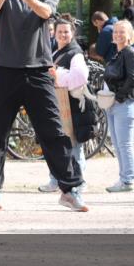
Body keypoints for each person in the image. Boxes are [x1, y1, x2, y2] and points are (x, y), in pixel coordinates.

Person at [0, 0, 87, 211]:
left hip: (38, 71)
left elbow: (44, 13)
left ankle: (69, 189)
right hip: (5, 70)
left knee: (53, 131)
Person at [38, 19, 95, 192]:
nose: (63, 35)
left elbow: (80, 77)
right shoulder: (57, 52)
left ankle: (80, 181)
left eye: (66, 32)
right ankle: (55, 179)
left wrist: (57, 76)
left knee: (74, 146)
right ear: (54, 33)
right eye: (60, 31)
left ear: (73, 33)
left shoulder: (75, 53)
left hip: (74, 108)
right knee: (57, 145)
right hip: (60, 106)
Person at [103, 20, 134, 192]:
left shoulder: (130, 53)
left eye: (122, 32)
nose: (118, 34)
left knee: (125, 144)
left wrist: (117, 98)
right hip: (114, 103)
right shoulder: (117, 54)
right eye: (116, 31)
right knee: (118, 144)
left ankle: (128, 180)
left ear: (129, 35)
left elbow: (133, 78)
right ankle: (123, 178)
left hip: (125, 103)